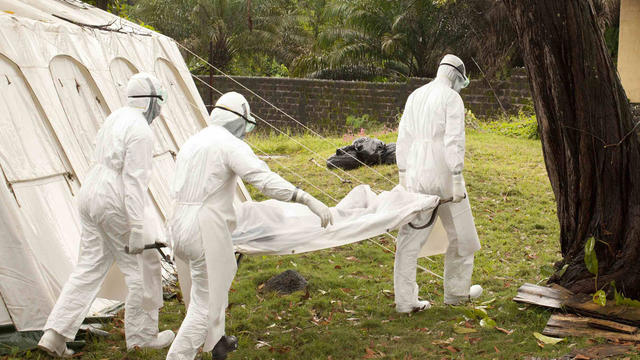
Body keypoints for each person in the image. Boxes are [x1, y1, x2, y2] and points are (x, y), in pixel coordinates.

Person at [166, 91, 333, 360]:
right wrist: (304, 197)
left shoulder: (194, 141)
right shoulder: (229, 145)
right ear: (238, 120)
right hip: (204, 229)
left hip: (178, 224)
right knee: (204, 305)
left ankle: (216, 343)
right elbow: (263, 180)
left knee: (204, 292)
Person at [37, 73, 175, 357]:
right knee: (141, 270)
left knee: (87, 268)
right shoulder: (141, 131)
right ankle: (143, 337)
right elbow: (135, 180)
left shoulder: (116, 117)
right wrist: (136, 226)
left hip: (91, 192)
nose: (159, 109)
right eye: (158, 101)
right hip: (114, 196)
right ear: (150, 101)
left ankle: (54, 336)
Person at [394, 54, 483, 313]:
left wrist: (403, 174)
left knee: (410, 237)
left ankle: (405, 300)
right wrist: (456, 177)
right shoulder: (451, 98)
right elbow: (454, 140)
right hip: (443, 173)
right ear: (457, 77)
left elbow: (403, 138)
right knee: (462, 235)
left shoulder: (415, 95)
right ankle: (457, 293)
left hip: (415, 174)